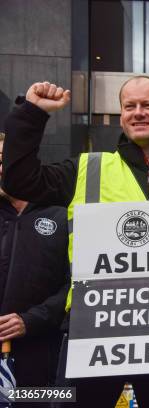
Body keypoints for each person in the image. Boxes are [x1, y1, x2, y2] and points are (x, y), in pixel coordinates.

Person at [2, 78, 149, 408]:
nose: (138, 113)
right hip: (92, 333)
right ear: (121, 116)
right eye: (129, 106)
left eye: (147, 106)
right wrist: (33, 114)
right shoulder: (87, 169)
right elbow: (19, 180)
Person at [0, 132, 70, 405]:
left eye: (7, 160)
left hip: (42, 361)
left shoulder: (62, 216)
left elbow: (76, 283)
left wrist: (29, 321)